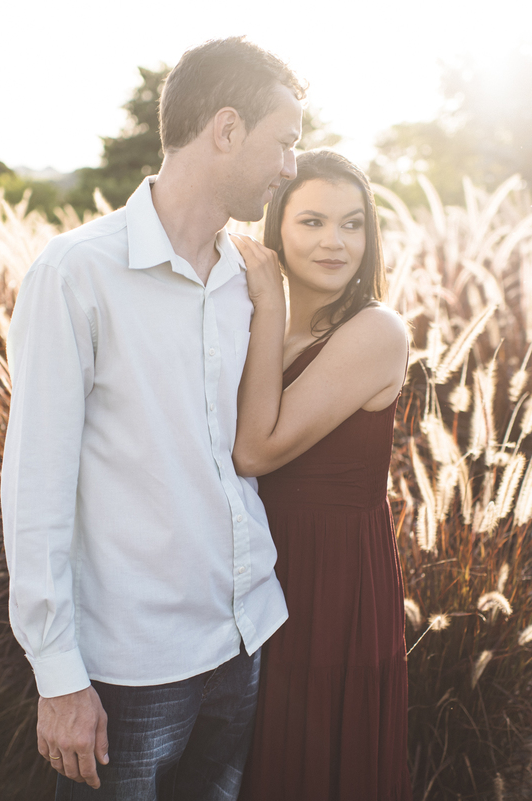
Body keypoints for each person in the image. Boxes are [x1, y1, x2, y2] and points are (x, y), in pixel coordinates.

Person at [0, 37, 305, 801]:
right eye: (284, 142)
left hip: (243, 641)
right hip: (132, 670)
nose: (291, 166)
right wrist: (58, 675)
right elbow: (35, 486)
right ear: (227, 129)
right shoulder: (76, 273)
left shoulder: (250, 279)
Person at [230, 150, 412, 801]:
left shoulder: (376, 331)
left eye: (352, 223)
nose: (336, 241)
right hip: (254, 571)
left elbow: (254, 451)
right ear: (277, 227)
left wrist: (267, 304)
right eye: (312, 221)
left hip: (332, 584)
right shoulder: (253, 326)